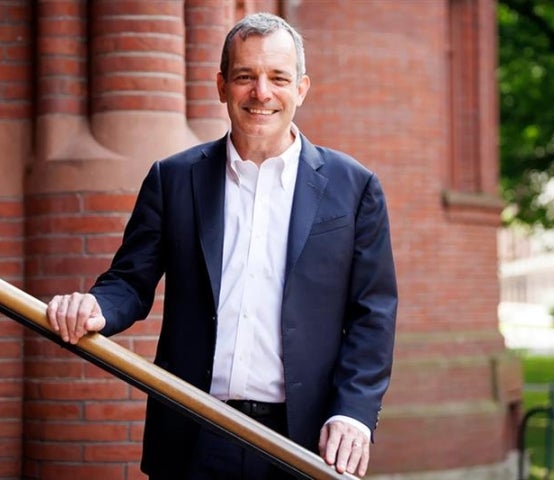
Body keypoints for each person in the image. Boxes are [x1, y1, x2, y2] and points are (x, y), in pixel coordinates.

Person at [46, 12, 397, 480]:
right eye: (245, 77)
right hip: (193, 429)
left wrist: (354, 411)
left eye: (278, 78)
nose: (261, 93)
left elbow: (373, 313)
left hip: (302, 440)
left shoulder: (354, 188)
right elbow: (129, 282)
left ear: (301, 89)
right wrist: (95, 306)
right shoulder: (172, 179)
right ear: (220, 85)